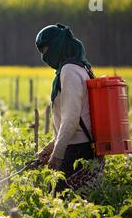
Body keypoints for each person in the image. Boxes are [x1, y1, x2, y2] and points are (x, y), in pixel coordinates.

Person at [35, 23, 102, 193]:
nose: (44, 57)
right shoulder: (80, 67)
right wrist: (49, 148)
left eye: (46, 50)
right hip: (82, 147)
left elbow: (71, 119)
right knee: (72, 204)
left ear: (57, 46)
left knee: (61, 202)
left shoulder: (69, 71)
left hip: (77, 152)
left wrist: (57, 155)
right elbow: (77, 120)